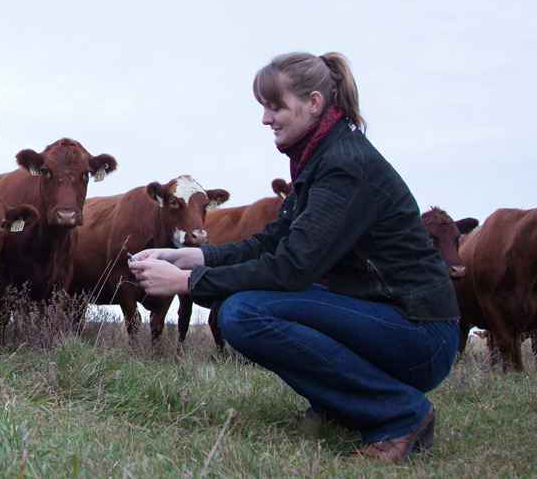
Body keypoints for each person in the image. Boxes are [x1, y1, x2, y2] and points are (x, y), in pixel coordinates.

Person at [128, 51, 459, 464]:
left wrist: (185, 285)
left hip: (419, 334)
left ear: (314, 103)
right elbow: (271, 242)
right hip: (387, 322)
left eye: (275, 106)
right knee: (245, 307)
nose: (266, 119)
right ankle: (342, 404)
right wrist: (193, 257)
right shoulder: (319, 160)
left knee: (244, 314)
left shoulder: (344, 165)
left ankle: (399, 414)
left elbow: (291, 268)